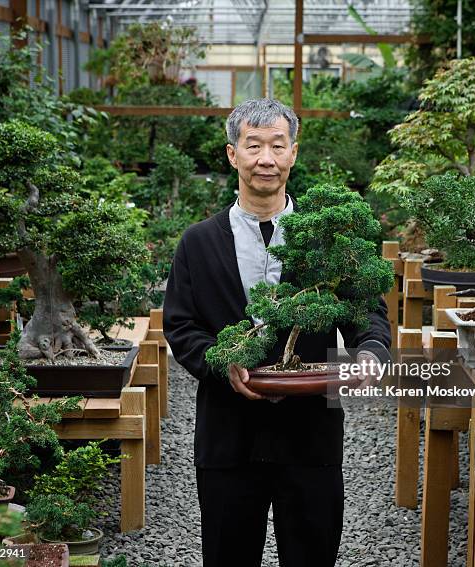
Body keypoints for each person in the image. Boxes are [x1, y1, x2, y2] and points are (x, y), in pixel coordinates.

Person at [163, 98, 391, 567]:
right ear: (232, 155)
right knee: (228, 555)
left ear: (293, 153)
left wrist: (371, 350)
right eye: (253, 146)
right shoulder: (198, 243)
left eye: (277, 146)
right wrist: (223, 362)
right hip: (228, 435)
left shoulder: (330, 242)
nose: (265, 158)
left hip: (309, 434)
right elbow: (181, 326)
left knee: (312, 553)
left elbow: (367, 311)